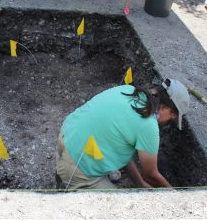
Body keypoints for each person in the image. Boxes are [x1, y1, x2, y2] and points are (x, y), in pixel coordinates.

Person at [56, 79, 189, 189]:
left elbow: (122, 150)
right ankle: (71, 187)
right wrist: (173, 195)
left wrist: (140, 183)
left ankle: (64, 177)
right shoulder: (148, 125)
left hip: (66, 137)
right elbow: (151, 175)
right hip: (77, 166)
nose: (169, 121)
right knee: (118, 208)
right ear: (168, 109)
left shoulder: (128, 91)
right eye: (172, 117)